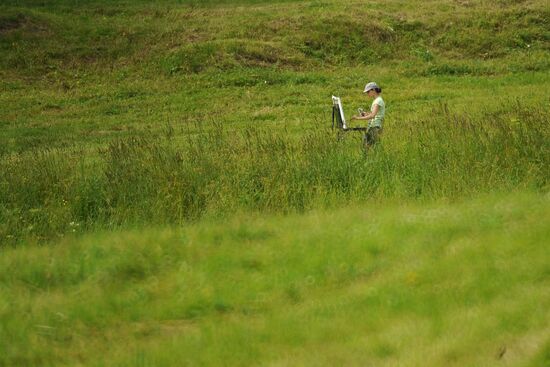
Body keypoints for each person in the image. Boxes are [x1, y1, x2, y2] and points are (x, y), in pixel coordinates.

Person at [351, 82, 385, 149]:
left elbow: (372, 116)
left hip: (375, 127)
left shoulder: (378, 101)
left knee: (370, 147)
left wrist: (357, 118)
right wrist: (365, 114)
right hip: (373, 126)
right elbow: (375, 114)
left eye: (368, 92)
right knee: (367, 147)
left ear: (373, 90)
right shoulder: (377, 100)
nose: (367, 94)